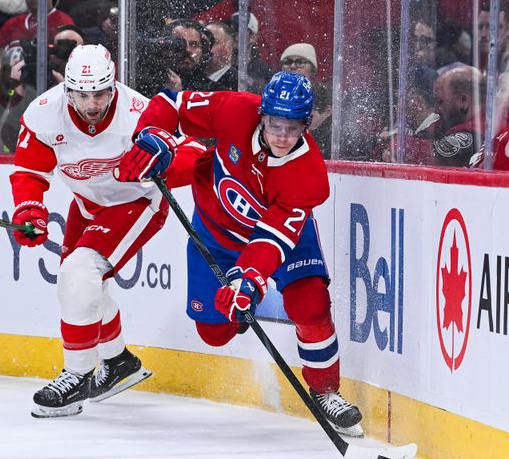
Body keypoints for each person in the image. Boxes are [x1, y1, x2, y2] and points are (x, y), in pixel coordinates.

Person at [115, 71, 364, 437]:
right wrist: (151, 134)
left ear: (307, 125)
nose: (281, 136)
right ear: (262, 114)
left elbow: (272, 240)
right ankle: (186, 154)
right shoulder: (235, 109)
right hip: (215, 229)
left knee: (310, 305)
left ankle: (326, 390)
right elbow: (171, 103)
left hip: (281, 238)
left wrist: (248, 278)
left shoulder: (309, 176)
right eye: (275, 124)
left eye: (292, 128)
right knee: (213, 334)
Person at [9, 44, 174, 418]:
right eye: (82, 95)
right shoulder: (44, 114)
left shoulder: (139, 113)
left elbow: (188, 154)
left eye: (100, 92)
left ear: (113, 85)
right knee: (81, 286)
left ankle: (78, 375)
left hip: (137, 202)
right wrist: (30, 208)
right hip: (87, 203)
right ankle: (117, 363)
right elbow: (29, 172)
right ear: (67, 89)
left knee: (78, 273)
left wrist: (164, 159)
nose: (92, 103)